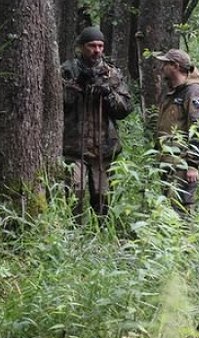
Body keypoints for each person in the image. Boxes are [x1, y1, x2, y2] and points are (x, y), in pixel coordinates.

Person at [61, 26, 133, 218]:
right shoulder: (68, 70)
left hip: (103, 149)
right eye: (92, 46)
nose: (97, 50)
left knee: (103, 198)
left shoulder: (111, 74)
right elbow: (57, 104)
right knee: (73, 195)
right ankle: (73, 235)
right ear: (81, 47)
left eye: (100, 46)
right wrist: (76, 88)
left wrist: (108, 94)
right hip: (74, 147)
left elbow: (125, 108)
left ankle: (101, 236)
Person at [154, 49, 199, 213]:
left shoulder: (193, 92)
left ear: (175, 66)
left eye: (165, 64)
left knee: (181, 208)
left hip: (183, 163)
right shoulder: (173, 91)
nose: (162, 67)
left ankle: (185, 238)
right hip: (168, 160)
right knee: (168, 207)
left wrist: (193, 164)